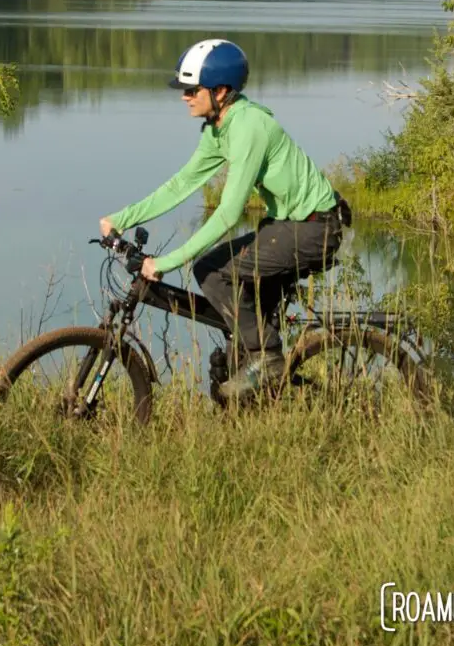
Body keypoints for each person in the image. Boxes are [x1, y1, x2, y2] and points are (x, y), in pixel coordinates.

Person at [100, 38, 347, 402]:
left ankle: (267, 356)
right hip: (286, 226)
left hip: (315, 229)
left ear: (220, 90)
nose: (184, 96)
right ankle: (255, 376)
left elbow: (230, 212)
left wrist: (167, 262)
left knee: (212, 272)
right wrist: (121, 218)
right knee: (233, 300)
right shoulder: (219, 127)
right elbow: (182, 184)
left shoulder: (249, 128)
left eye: (191, 89)